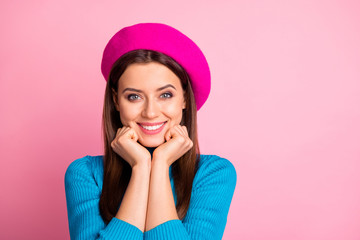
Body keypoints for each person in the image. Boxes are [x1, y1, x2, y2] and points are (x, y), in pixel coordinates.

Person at [65, 22, 237, 240]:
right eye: (134, 97)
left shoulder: (212, 174)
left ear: (184, 98)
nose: (150, 112)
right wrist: (141, 167)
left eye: (165, 95)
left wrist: (161, 164)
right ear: (116, 101)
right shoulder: (85, 174)